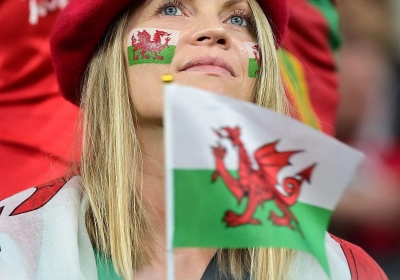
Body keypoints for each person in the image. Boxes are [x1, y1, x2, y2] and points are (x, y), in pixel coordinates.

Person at [0, 0, 387, 279]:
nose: (217, 31)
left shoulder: (346, 271)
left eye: (238, 18)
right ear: (110, 56)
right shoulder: (14, 247)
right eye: (171, 8)